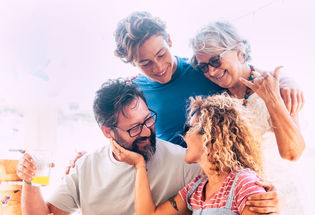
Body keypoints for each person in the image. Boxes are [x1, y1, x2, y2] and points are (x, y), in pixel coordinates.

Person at [16, 79, 279, 215]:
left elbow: (234, 176)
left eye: (148, 120)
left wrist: (269, 195)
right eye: (133, 129)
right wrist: (30, 181)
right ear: (108, 132)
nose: (145, 132)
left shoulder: (186, 162)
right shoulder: (87, 166)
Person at [190, 21, 308, 215]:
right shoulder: (219, 97)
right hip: (244, 214)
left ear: (240, 51)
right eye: (204, 66)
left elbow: (293, 152)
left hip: (280, 206)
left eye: (216, 60)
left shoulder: (275, 86)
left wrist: (273, 97)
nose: (211, 71)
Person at [113, 94, 277, 215]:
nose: (183, 137)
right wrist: (139, 165)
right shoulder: (198, 188)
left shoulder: (245, 183)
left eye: (189, 129)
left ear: (211, 135)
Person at [114, 11, 304, 148]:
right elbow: (123, 135)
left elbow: (244, 72)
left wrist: (286, 80)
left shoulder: (202, 70)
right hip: (174, 182)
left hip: (217, 179)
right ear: (133, 63)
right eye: (146, 63)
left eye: (162, 54)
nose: (158, 67)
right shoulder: (135, 91)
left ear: (169, 41)